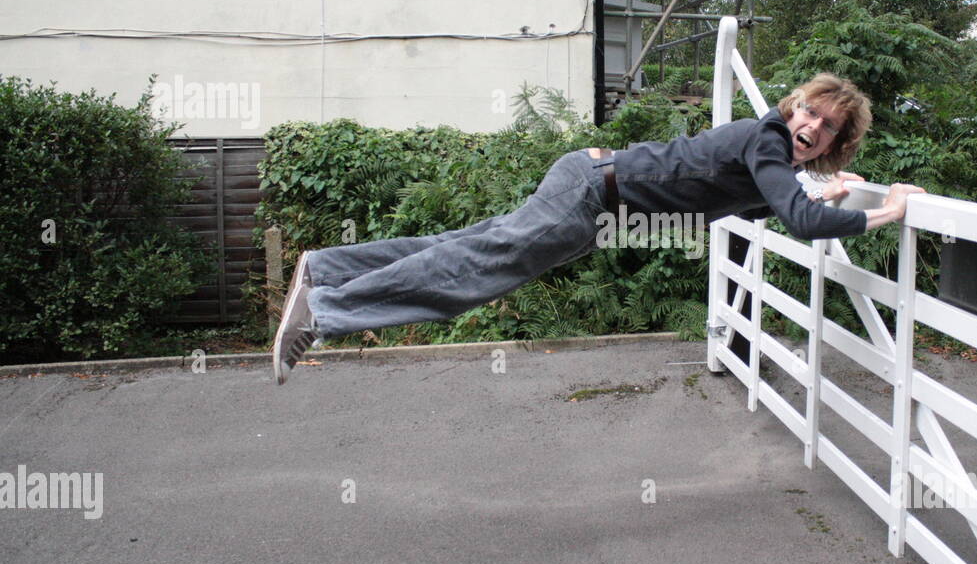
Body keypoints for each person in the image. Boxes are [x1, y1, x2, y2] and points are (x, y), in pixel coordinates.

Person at [273, 73, 925, 383]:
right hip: (593, 196)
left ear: (838, 143)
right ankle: (324, 313)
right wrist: (881, 212)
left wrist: (826, 189)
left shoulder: (770, 157)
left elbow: (778, 200)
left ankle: (327, 269)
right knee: (475, 274)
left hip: (593, 191)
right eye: (810, 111)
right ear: (794, 108)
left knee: (466, 248)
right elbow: (803, 218)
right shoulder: (769, 139)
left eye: (830, 127)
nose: (812, 125)